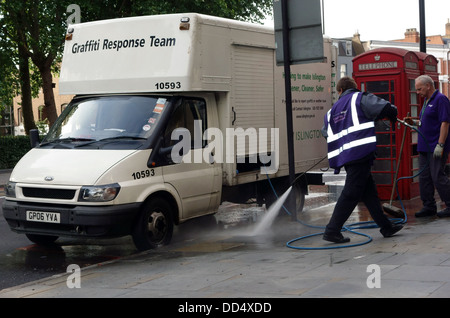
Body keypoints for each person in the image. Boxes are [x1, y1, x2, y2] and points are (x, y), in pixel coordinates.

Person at [321, 76, 403, 243]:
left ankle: (386, 227)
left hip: (346, 157)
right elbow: (388, 108)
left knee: (369, 193)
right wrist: (391, 117)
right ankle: (332, 230)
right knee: (351, 193)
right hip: (361, 153)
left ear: (340, 91)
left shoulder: (331, 112)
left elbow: (325, 133)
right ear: (353, 87)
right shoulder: (360, 98)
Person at [404, 75, 450, 218]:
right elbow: (426, 122)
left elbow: (445, 122)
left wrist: (440, 144)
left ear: (428, 86)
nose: (417, 92)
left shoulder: (441, 99)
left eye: (419, 89)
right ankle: (429, 206)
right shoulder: (426, 101)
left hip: (435, 145)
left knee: (437, 175)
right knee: (424, 177)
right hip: (423, 146)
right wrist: (414, 123)